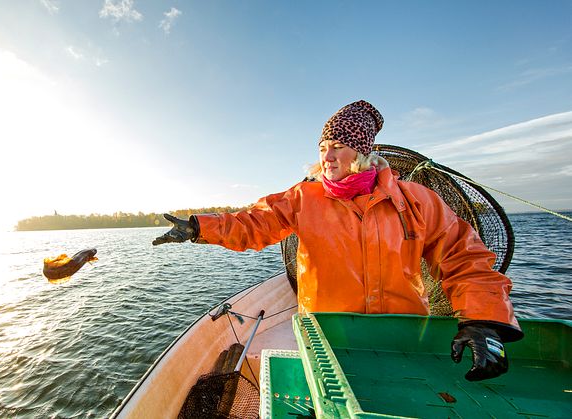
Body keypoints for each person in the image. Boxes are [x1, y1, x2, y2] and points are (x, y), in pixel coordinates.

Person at [152, 100, 523, 382]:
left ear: (361, 151)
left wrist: (484, 320)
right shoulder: (303, 198)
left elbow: (464, 256)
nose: (326, 156)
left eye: (337, 146)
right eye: (322, 147)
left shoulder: (416, 200)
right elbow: (252, 224)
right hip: (326, 336)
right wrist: (200, 228)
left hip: (405, 334)